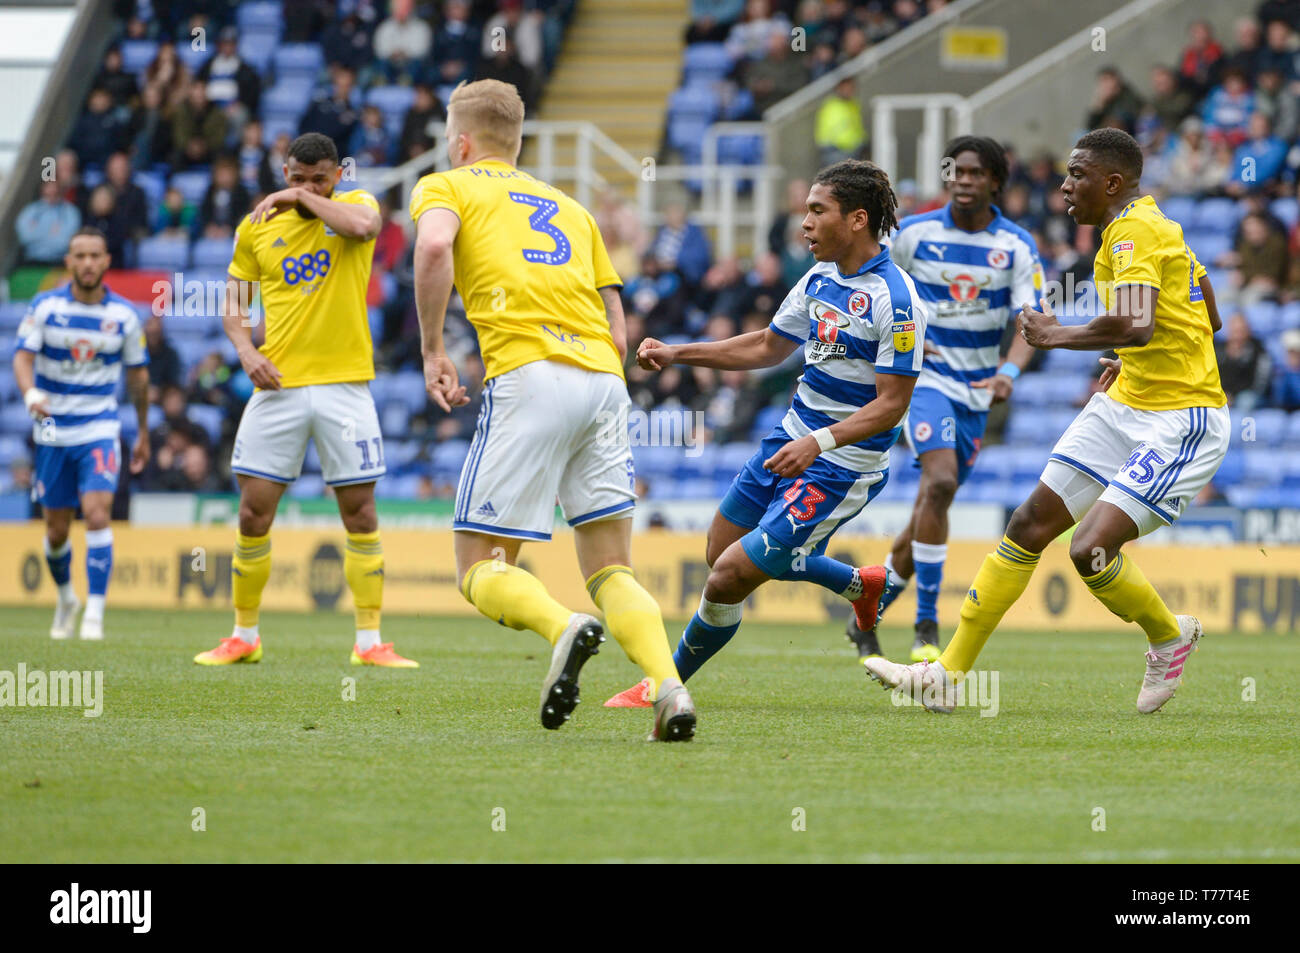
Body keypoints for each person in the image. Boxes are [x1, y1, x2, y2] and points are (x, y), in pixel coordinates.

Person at [865, 129, 1229, 716]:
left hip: (1178, 419)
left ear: (1111, 183)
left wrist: (1058, 335)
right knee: (1029, 524)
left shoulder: (1136, 230)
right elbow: (1206, 312)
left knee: (1088, 551)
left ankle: (1168, 635)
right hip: (1127, 401)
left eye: (1077, 175)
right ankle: (947, 674)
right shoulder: (1147, 225)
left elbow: (1136, 323)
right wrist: (1132, 356)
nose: (1064, 186)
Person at [409, 79, 695, 741]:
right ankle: (670, 687)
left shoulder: (445, 185)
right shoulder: (570, 207)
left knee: (479, 564)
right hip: (600, 377)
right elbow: (616, 320)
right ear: (518, 141)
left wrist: (432, 350)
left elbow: (430, 249)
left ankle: (563, 628)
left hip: (529, 373)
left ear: (460, 141)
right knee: (611, 569)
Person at [605, 159, 926, 708]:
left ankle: (663, 684)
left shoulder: (896, 302)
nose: (804, 224)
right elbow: (768, 346)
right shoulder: (819, 276)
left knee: (728, 577)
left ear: (856, 219)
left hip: (842, 466)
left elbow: (892, 406)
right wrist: (679, 351)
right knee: (719, 552)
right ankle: (859, 583)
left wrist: (819, 443)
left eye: (816, 211)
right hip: (789, 440)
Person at [193, 133, 417, 669]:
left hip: (346, 385)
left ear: (337, 174)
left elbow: (364, 229)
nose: (307, 187)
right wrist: (246, 351)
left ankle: (370, 643)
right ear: (284, 170)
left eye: (319, 179)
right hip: (279, 386)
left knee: (360, 513)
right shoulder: (255, 229)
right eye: (297, 179)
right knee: (252, 512)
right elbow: (236, 305)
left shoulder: (357, 206)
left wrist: (303, 200)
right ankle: (244, 635)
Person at [844, 136, 1042, 662]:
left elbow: (1031, 323)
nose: (965, 180)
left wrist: (1009, 373)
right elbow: (875, 285)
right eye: (956, 171)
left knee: (929, 509)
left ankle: (866, 614)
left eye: (977, 172)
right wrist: (899, 332)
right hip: (924, 380)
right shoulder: (914, 234)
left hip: (978, 393)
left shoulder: (1018, 246)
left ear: (996, 181)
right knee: (941, 481)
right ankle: (927, 627)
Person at [11, 227, 150, 640]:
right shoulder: (45, 305)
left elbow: (139, 379)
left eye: (95, 256)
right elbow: (22, 358)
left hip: (99, 426)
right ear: (68, 261)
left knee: (96, 513)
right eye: (80, 256)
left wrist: (142, 430)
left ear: (107, 261)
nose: (87, 263)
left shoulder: (124, 316)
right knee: (55, 531)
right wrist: (31, 391)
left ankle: (95, 614)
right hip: (52, 427)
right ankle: (67, 597)